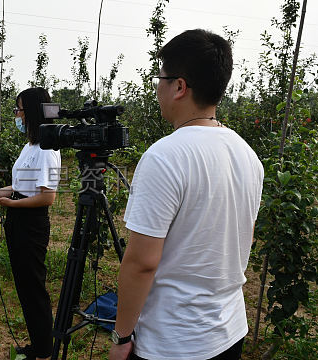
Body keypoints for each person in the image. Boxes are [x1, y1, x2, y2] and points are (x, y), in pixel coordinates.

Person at [109, 29, 264, 360]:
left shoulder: (164, 157)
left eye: (160, 78)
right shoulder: (247, 154)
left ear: (179, 86)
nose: (157, 88)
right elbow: (245, 239)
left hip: (173, 341)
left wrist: (121, 336)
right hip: (229, 331)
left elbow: (141, 263)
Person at [0, 87, 61, 360]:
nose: (16, 115)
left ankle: (43, 351)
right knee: (24, 286)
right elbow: (16, 187)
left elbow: (47, 197)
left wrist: (13, 205)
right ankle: (38, 344)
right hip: (18, 218)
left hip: (31, 223)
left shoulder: (47, 150)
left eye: (18, 109)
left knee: (34, 286)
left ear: (30, 111)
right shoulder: (29, 146)